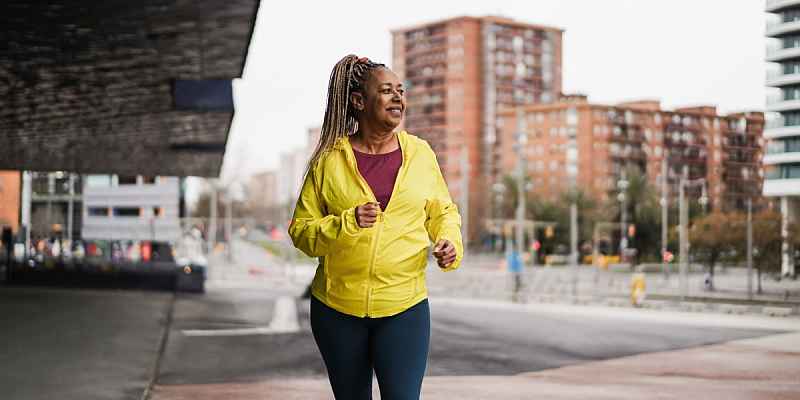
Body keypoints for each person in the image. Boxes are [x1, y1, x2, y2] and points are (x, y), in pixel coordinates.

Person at [288, 54, 463, 400]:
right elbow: (302, 232)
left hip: (404, 306)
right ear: (359, 101)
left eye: (401, 90)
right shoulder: (328, 160)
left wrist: (448, 242)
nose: (398, 97)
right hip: (337, 309)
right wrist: (346, 223)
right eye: (386, 91)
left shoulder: (420, 154)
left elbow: (444, 211)